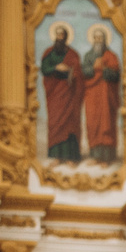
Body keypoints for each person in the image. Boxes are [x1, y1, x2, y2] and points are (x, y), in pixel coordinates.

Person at [40, 23, 84, 162]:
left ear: (66, 37)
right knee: (55, 122)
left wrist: (70, 71)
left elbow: (78, 72)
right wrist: (56, 67)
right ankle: (57, 157)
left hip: (69, 93)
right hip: (55, 94)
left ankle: (71, 158)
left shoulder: (73, 54)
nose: (59, 37)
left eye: (62, 35)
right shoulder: (49, 53)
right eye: (57, 34)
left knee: (70, 123)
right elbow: (44, 69)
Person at [83, 26, 121, 165]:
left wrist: (103, 69)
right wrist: (93, 68)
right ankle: (95, 156)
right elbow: (84, 72)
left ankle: (107, 158)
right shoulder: (88, 56)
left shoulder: (111, 56)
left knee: (107, 124)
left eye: (101, 38)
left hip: (106, 96)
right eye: (96, 38)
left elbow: (116, 74)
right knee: (93, 124)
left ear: (105, 40)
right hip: (92, 96)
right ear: (93, 39)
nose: (98, 40)